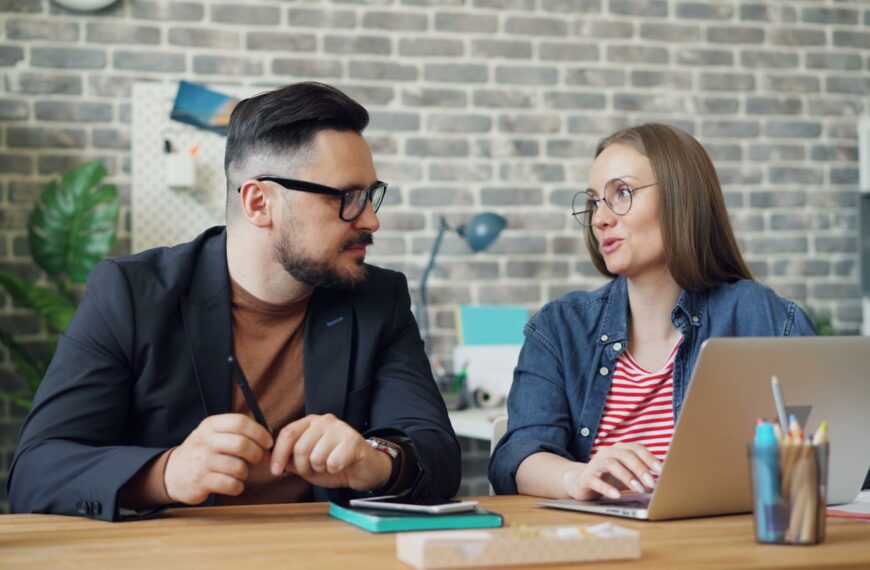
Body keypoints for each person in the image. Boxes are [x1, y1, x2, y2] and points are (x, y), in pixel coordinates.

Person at [8, 82, 461, 521]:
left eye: (370, 196)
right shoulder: (131, 295)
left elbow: (437, 451)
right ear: (259, 203)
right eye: (347, 198)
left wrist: (376, 461)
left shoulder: (378, 299)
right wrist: (165, 473)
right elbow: (36, 472)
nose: (371, 220)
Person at [489, 123, 815, 500]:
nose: (600, 219)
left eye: (622, 193)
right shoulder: (559, 329)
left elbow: (840, 455)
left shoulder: (763, 318)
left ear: (681, 198)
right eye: (595, 201)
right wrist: (575, 478)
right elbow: (517, 455)